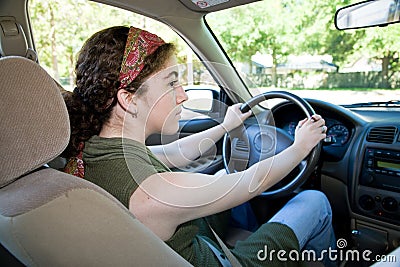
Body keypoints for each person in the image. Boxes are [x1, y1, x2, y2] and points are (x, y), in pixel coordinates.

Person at [62, 26, 336, 266]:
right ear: (129, 99)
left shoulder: (98, 150)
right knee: (315, 201)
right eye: (172, 83)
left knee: (224, 174)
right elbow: (249, 182)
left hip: (190, 243)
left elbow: (173, 154)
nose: (183, 95)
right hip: (219, 261)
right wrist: (300, 147)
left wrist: (226, 127)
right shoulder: (152, 194)